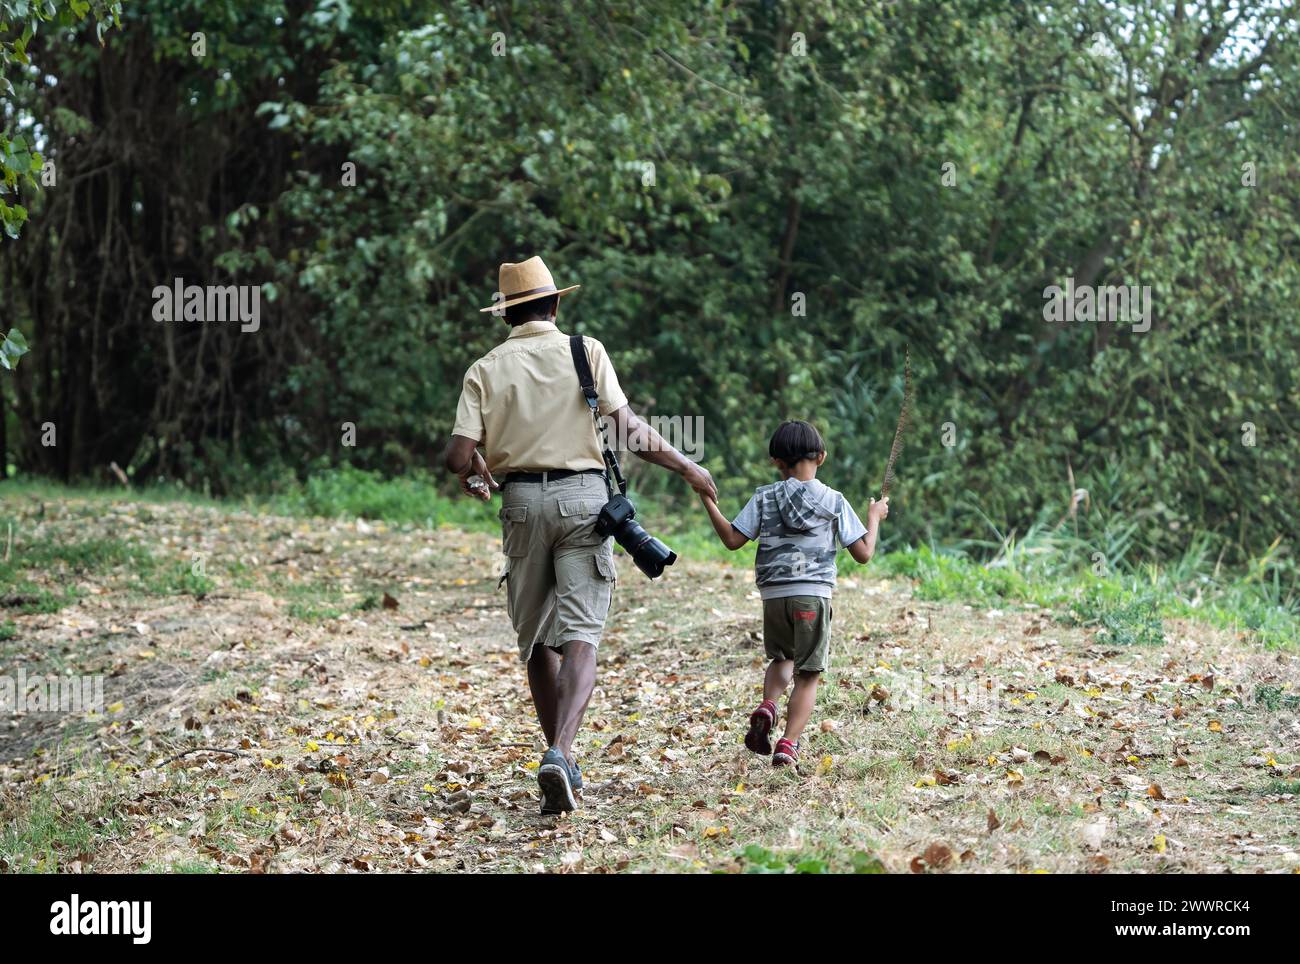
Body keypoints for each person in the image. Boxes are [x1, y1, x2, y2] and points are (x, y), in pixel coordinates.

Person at [442, 256, 717, 813]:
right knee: (581, 636)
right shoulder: (584, 351)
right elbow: (630, 430)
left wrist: (478, 474)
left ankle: (557, 755)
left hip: (520, 504)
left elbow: (457, 456)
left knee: (538, 642)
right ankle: (561, 753)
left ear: (505, 315)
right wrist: (688, 468)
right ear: (556, 303)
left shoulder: (485, 368)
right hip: (585, 503)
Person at [698, 419, 888, 767]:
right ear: (822, 456)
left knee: (781, 658)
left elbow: (732, 540)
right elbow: (863, 554)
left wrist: (708, 500)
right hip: (812, 597)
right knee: (808, 674)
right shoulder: (833, 500)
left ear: (777, 462)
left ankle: (768, 704)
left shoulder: (764, 497)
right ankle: (789, 743)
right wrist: (874, 517)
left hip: (774, 597)